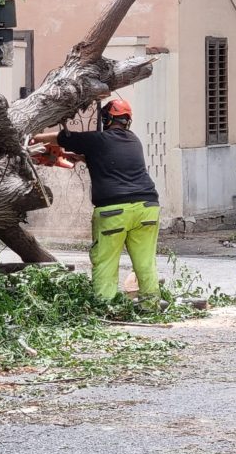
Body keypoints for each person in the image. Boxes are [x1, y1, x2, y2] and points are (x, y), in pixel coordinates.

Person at [33, 99, 162, 309]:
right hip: (147, 208)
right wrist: (83, 158)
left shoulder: (98, 139)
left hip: (114, 211)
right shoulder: (133, 140)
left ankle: (106, 308)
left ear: (107, 118)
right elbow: (111, 158)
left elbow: (61, 137)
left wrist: (32, 137)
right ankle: (151, 306)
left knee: (105, 261)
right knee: (145, 262)